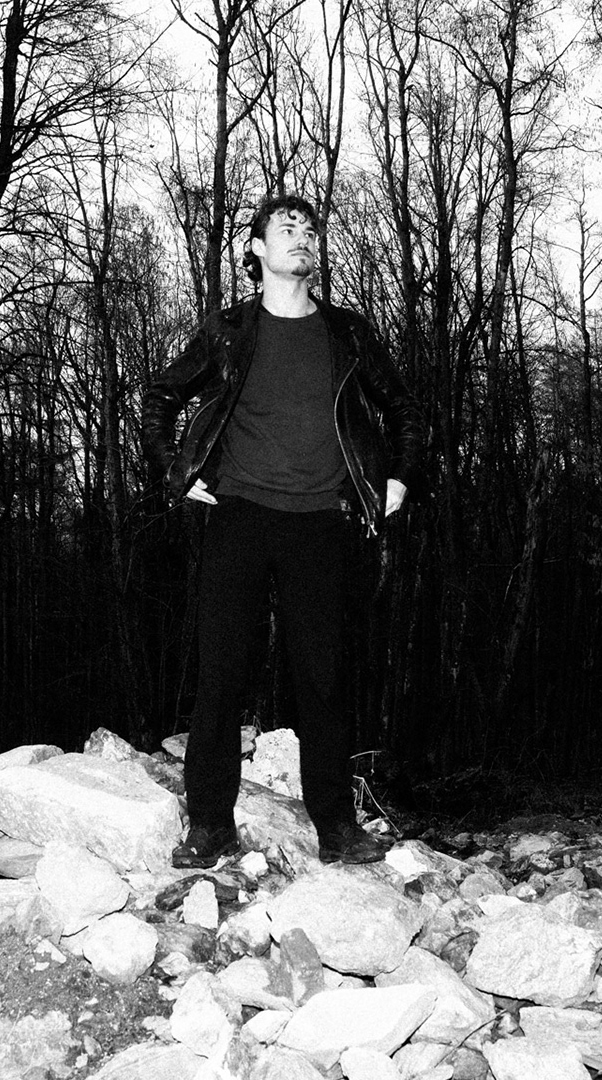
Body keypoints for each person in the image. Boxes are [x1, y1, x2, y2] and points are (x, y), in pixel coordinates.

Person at [141, 193, 426, 869]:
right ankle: (210, 825)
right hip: (239, 514)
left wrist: (399, 478)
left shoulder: (346, 332)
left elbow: (403, 407)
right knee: (221, 674)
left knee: (323, 678)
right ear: (257, 249)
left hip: (321, 521)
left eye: (310, 229)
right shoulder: (229, 331)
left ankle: (336, 828)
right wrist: (174, 471)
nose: (302, 237)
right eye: (286, 227)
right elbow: (161, 395)